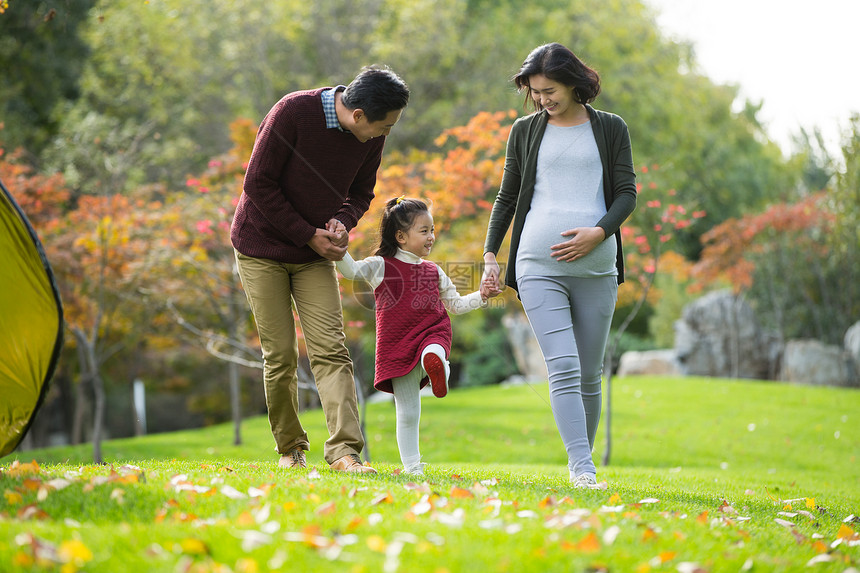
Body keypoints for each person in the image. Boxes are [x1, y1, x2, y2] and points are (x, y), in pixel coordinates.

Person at [231, 66, 410, 474]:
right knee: (280, 355)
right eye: (383, 125)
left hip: (313, 255)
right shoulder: (293, 112)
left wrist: (341, 223)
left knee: (332, 350)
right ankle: (290, 448)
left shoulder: (371, 136)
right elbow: (257, 184)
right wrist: (305, 233)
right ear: (359, 114)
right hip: (261, 247)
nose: (385, 134)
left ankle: (345, 453)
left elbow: (361, 192)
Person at [481, 43, 637, 489]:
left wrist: (598, 232)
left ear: (572, 82)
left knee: (589, 374)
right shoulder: (525, 131)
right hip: (536, 263)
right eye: (535, 93)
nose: (542, 99)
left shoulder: (610, 128)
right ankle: (582, 470)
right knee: (564, 366)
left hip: (596, 267)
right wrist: (491, 252)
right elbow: (507, 197)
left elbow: (627, 192)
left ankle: (583, 468)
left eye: (549, 90)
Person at [335, 197, 498, 475]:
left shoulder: (433, 271)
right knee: (408, 413)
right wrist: (339, 244)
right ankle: (413, 467)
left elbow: (455, 304)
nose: (431, 237)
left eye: (432, 230)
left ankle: (438, 367)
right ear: (401, 236)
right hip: (396, 346)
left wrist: (481, 296)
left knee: (431, 351)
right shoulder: (381, 265)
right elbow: (350, 270)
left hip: (431, 333)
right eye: (424, 231)